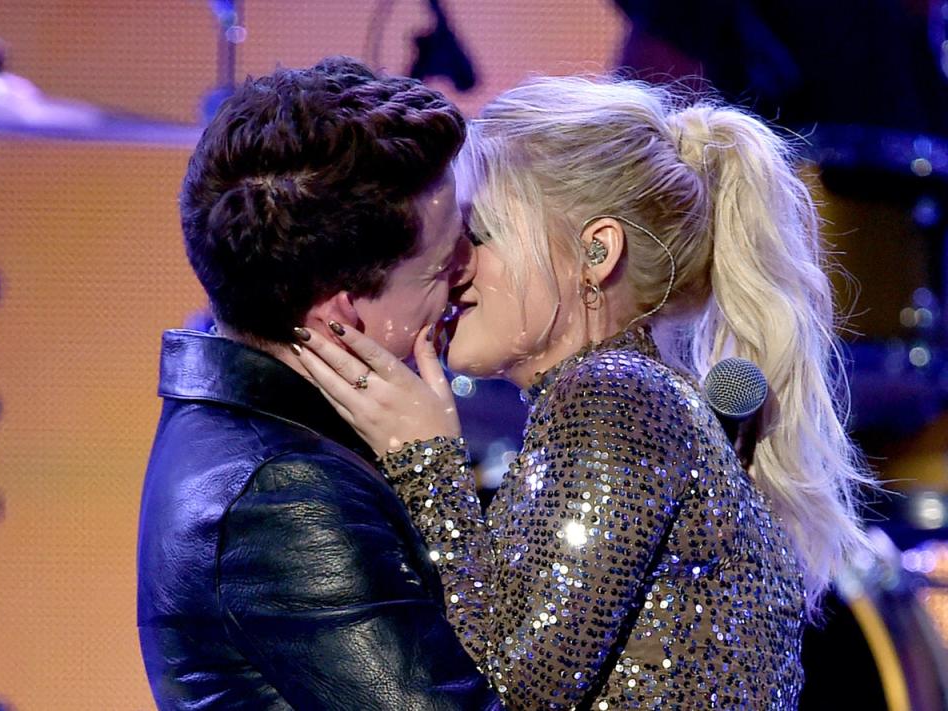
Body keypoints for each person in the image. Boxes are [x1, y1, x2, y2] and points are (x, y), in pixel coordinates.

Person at [292, 75, 874, 709]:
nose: (451, 267)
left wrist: (426, 461)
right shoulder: (636, 400)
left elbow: (516, 688)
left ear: (596, 251)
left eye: (478, 235)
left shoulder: (614, 401)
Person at [136, 56, 502, 710]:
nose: (469, 272)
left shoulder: (254, 431)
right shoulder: (284, 497)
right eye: (444, 261)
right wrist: (434, 475)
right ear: (343, 317)